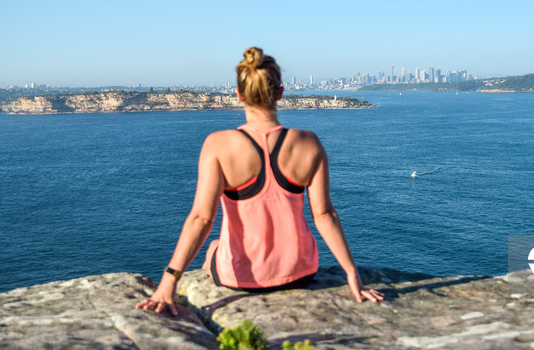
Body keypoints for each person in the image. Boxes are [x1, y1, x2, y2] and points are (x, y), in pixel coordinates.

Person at [136, 47, 384, 315]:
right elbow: (324, 215)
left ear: (239, 95)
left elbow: (201, 219)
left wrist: (169, 281)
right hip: (300, 273)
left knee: (214, 248)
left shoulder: (217, 146)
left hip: (241, 278)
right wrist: (352, 274)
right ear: (280, 92)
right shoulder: (309, 144)